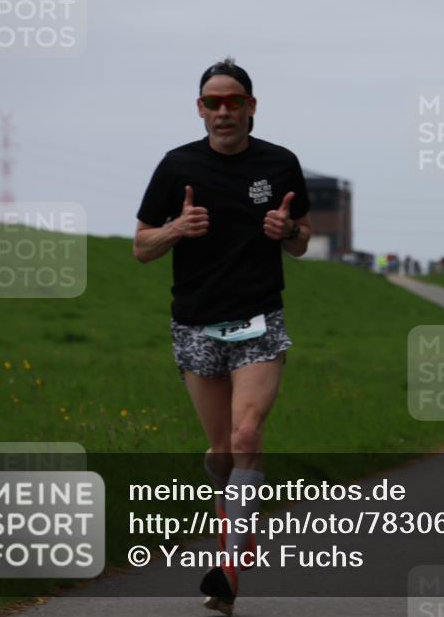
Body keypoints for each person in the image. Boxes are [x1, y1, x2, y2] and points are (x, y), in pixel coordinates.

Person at [134, 57, 312, 615]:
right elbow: (141, 246)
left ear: (252, 107)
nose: (224, 111)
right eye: (213, 102)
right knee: (219, 450)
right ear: (200, 109)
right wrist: (175, 229)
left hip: (259, 320)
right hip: (195, 322)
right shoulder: (176, 166)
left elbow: (302, 238)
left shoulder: (280, 165)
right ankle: (236, 518)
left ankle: (231, 561)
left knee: (247, 435)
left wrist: (289, 233)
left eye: (234, 101)